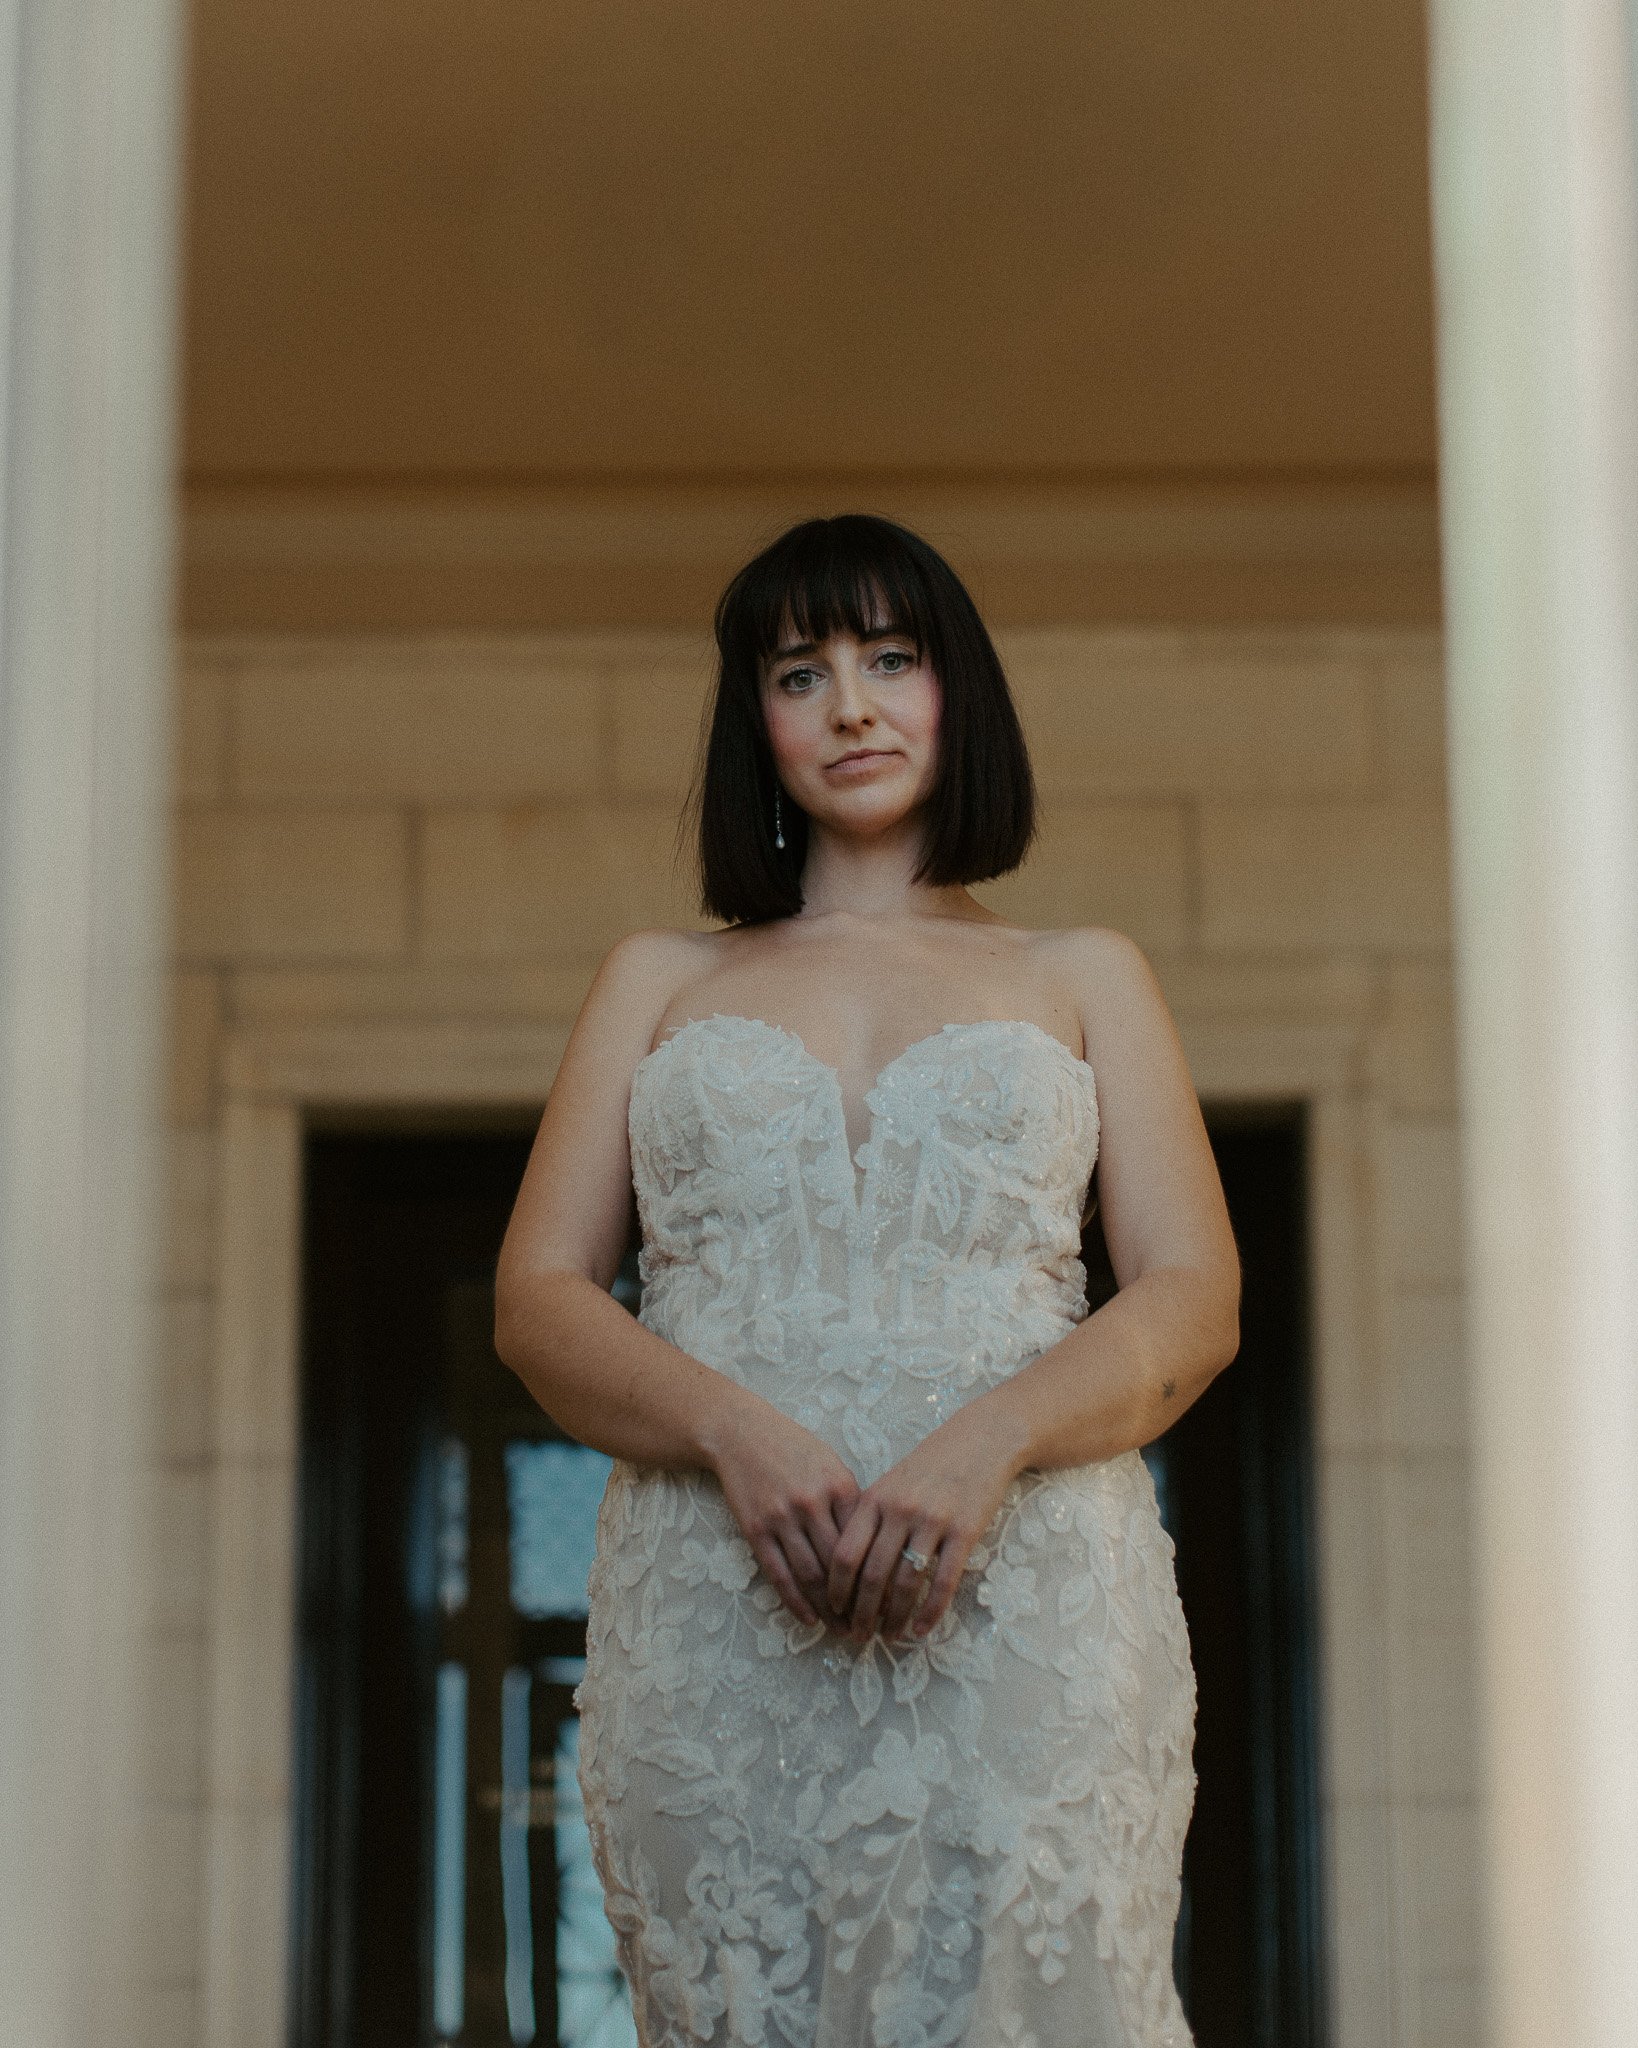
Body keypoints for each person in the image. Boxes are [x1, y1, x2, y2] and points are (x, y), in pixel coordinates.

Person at [493, 513, 1241, 2048]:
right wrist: (735, 1437)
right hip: (712, 1616)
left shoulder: (1082, 970)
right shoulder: (657, 978)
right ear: (749, 721)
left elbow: (1189, 1300)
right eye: (799, 670)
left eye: (892, 660)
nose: (850, 705)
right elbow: (539, 1302)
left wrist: (986, 1448)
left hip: (1028, 1605)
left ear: (954, 692)